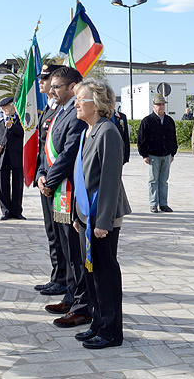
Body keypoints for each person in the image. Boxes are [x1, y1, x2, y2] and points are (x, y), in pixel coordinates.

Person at [71, 79, 131, 350]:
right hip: (89, 215)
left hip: (103, 216)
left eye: (79, 100)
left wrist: (103, 221)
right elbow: (81, 175)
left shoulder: (108, 132)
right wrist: (77, 213)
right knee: (92, 273)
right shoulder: (89, 130)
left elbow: (109, 180)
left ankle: (110, 331)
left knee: (105, 273)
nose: (75, 104)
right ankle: (97, 322)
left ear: (95, 104)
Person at [38, 66, 92, 329]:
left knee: (75, 250)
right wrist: (41, 174)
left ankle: (81, 302)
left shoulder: (76, 113)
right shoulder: (59, 111)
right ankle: (71, 296)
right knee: (64, 246)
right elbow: (46, 146)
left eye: (57, 86)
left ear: (72, 87)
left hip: (69, 190)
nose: (51, 89)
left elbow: (69, 152)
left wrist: (51, 179)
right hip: (55, 188)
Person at [33, 64, 68, 297]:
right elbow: (41, 149)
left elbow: (64, 150)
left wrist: (50, 180)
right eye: (43, 79)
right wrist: (39, 175)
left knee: (61, 233)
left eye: (46, 79)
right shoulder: (47, 109)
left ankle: (64, 279)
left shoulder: (63, 111)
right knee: (52, 233)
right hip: (46, 180)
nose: (42, 83)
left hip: (59, 184)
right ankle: (57, 276)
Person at [137, 94, 177, 213]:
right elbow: (141, 139)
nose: (161, 107)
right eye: (158, 105)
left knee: (164, 181)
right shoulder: (147, 121)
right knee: (153, 180)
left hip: (166, 155)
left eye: (163, 104)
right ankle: (153, 203)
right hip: (153, 156)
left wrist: (173, 153)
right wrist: (144, 155)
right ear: (153, 106)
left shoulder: (169, 120)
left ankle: (163, 204)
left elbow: (173, 138)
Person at [0, 95, 24, 220]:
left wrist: (12, 126)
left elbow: (23, 133)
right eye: (11, 106)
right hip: (2, 158)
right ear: (4, 108)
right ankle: (6, 211)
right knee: (3, 186)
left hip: (17, 157)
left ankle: (17, 211)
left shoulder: (19, 119)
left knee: (17, 185)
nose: (14, 107)